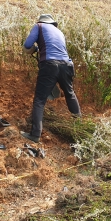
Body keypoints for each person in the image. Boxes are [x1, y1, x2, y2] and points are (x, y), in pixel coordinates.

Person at [21, 14, 81, 143]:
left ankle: (35, 134)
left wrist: (35, 49)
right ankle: (79, 126)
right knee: (70, 94)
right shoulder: (59, 32)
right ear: (53, 23)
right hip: (66, 65)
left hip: (50, 65)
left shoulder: (39, 26)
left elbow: (27, 45)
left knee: (39, 100)